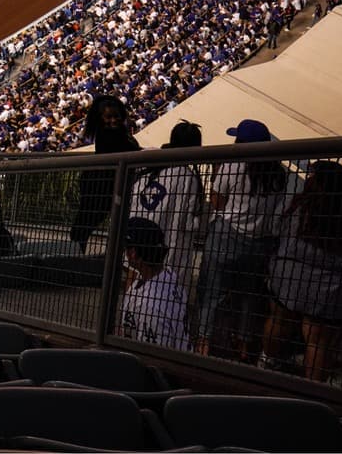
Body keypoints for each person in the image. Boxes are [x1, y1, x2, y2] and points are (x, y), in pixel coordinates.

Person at [264, 160, 342, 380]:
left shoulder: (297, 208)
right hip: (330, 291)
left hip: (289, 279)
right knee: (319, 343)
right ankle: (312, 392)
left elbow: (276, 230)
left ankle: (268, 362)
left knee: (279, 320)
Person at [200, 120, 290, 363]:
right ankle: (244, 346)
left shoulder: (233, 165)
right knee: (250, 296)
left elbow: (217, 202)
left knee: (214, 293)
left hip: (228, 237)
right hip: (260, 244)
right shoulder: (279, 173)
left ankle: (204, 343)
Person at [134, 120, 206, 325]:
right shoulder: (187, 176)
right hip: (169, 244)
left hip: (138, 236)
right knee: (164, 296)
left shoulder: (149, 164)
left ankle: (128, 323)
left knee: (136, 280)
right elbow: (188, 221)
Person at [72, 94, 140, 250]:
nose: (113, 120)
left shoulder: (121, 132)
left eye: (116, 116)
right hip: (99, 185)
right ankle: (73, 252)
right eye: (108, 117)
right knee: (87, 221)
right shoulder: (106, 134)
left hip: (111, 184)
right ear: (100, 118)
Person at [118, 216, 190, 350]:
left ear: (133, 253)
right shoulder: (168, 277)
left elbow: (152, 359)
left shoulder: (151, 306)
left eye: (126, 248)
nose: (125, 253)